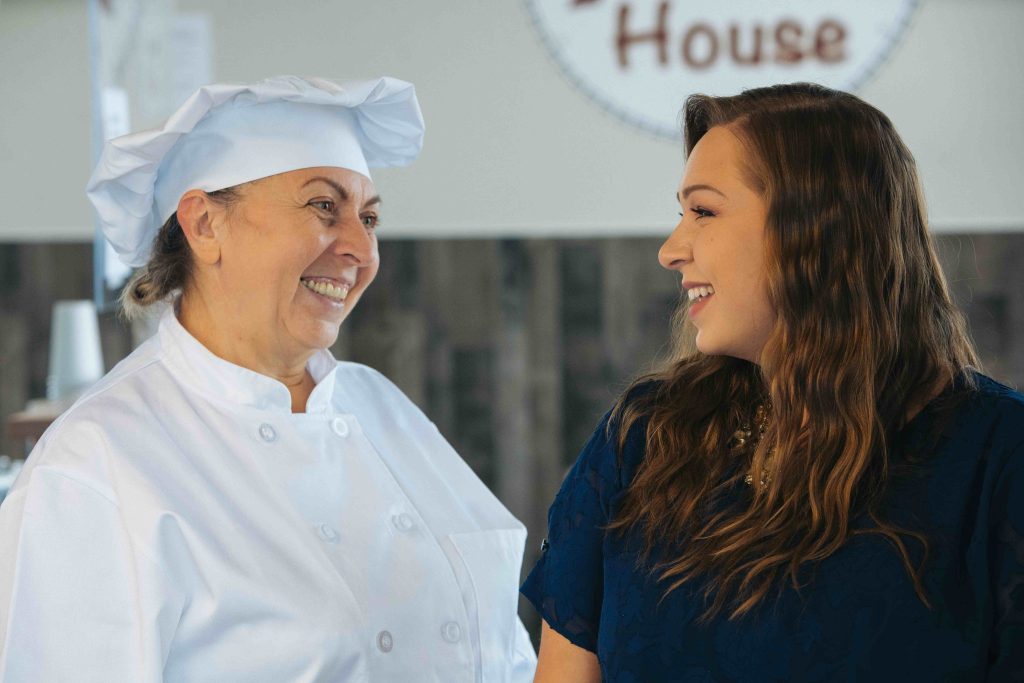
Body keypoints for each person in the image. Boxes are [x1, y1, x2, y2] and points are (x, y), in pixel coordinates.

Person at [0, 75, 536, 682]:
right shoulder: (96, 464)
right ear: (204, 225)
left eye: (370, 217)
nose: (362, 248)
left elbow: (502, 647)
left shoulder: (382, 408)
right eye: (324, 207)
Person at [521, 83, 1024, 681]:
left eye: (703, 211)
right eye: (679, 214)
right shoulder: (642, 438)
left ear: (816, 228)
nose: (670, 249)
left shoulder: (1000, 457)